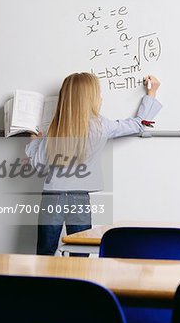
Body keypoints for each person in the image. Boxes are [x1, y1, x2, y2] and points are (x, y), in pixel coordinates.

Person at [25, 72, 162, 255]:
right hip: (80, 197)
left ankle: (46, 284)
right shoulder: (101, 126)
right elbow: (138, 124)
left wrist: (35, 141)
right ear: (90, 99)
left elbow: (37, 162)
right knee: (81, 251)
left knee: (45, 253)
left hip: (52, 196)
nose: (101, 98)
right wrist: (151, 93)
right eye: (98, 94)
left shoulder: (56, 128)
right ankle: (80, 283)